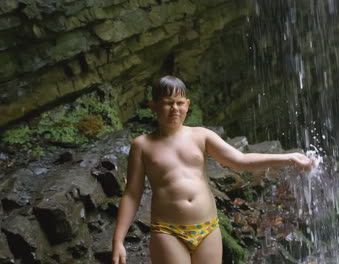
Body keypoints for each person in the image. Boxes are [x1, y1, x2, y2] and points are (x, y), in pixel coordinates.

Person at [111, 76, 317, 264]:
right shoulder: (143, 145)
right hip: (168, 231)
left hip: (208, 228)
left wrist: (288, 158)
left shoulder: (201, 136)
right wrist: (118, 240)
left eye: (179, 103)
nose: (175, 108)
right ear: (153, 106)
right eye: (167, 103)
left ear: (187, 105)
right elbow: (132, 194)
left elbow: (240, 160)